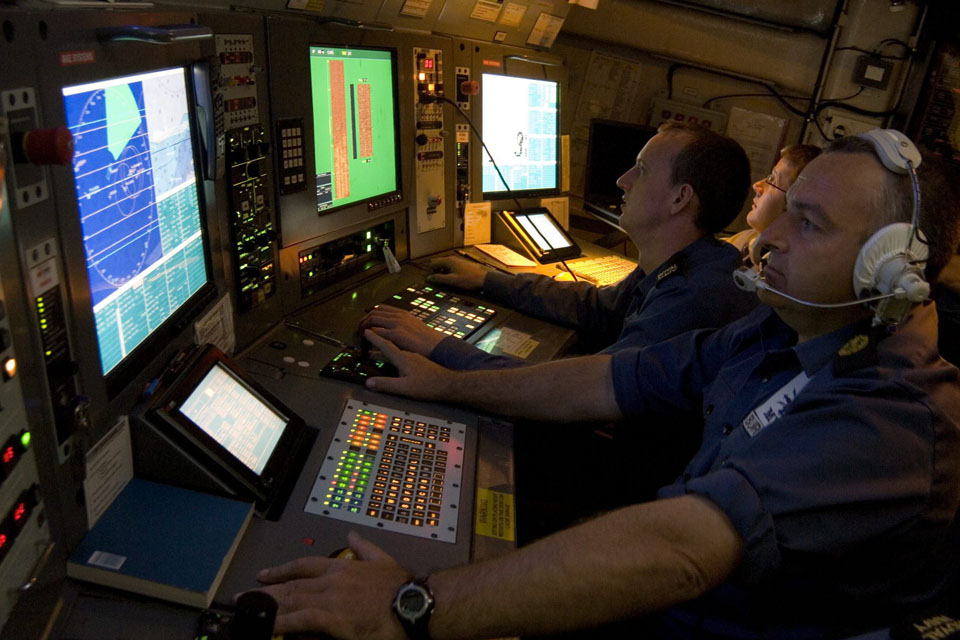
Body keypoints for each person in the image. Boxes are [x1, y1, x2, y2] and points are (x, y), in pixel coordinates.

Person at [250, 132, 960, 639]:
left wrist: (411, 604)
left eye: (809, 224)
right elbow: (611, 380)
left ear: (887, 273)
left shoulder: (889, 418)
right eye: (789, 207)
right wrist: (448, 381)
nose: (770, 238)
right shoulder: (782, 328)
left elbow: (680, 553)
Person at [361, 121, 758, 370]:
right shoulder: (685, 264)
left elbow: (576, 390)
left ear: (680, 199)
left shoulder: (694, 295)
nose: (623, 180)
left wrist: (440, 347)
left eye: (642, 170)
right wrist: (488, 280)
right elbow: (596, 307)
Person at [726, 144, 821, 266]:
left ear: (792, 205)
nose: (757, 185)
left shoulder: (784, 276)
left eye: (772, 179)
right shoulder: (746, 238)